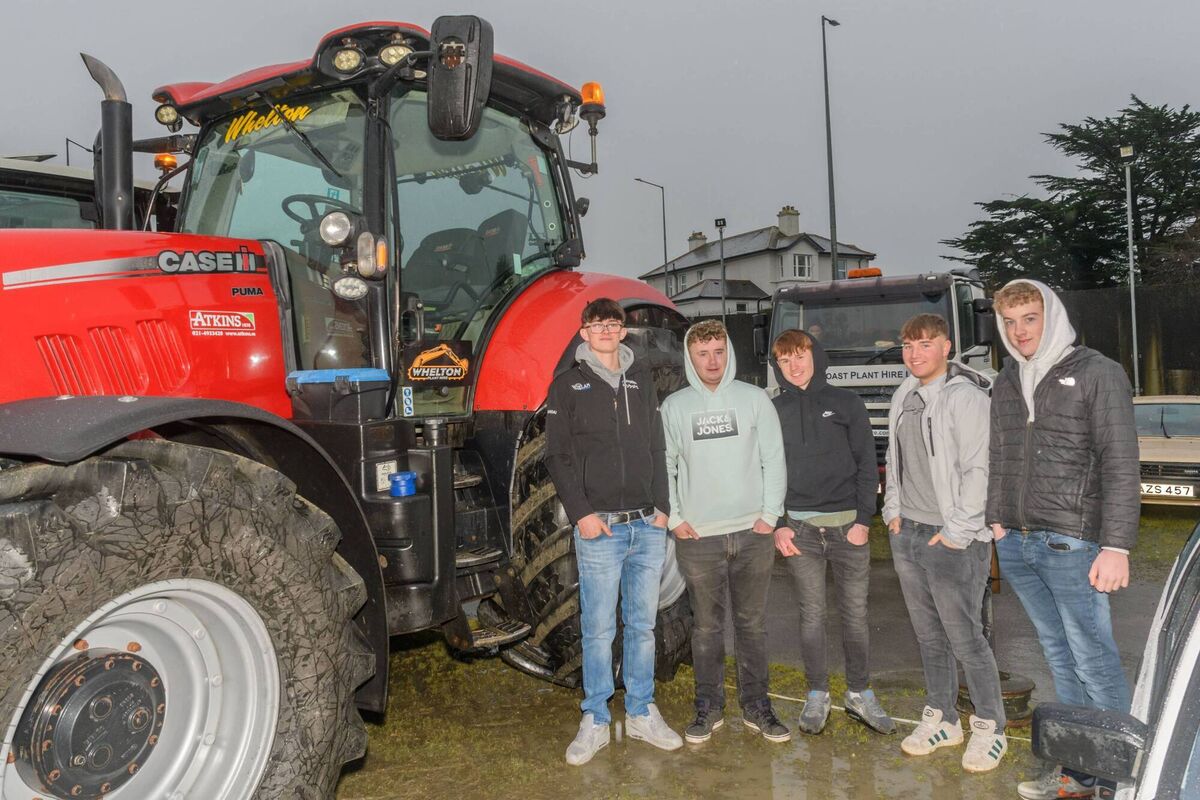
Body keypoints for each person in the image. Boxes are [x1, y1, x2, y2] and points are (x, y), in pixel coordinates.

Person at [987, 280, 1139, 800]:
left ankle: (1120, 777)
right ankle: (1078, 770)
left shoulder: (1098, 372)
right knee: (1058, 655)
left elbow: (1121, 463)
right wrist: (996, 519)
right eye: (1009, 322)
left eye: (1029, 318)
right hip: (1018, 541)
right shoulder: (1007, 377)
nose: (1019, 331)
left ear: (1052, 316)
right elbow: (1000, 453)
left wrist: (1116, 546)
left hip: (1074, 542)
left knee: (1093, 658)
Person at [545, 297, 683, 766]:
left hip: (647, 524)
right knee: (599, 629)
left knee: (642, 626)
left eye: (612, 323)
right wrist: (582, 513)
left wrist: (663, 507)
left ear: (623, 331)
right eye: (596, 324)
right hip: (600, 527)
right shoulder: (568, 385)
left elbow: (657, 445)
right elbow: (557, 456)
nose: (605, 330)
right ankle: (596, 717)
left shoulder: (641, 379)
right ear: (584, 333)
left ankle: (641, 711)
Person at [881, 313, 1008, 773]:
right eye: (907, 345)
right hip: (909, 532)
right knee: (929, 636)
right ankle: (943, 718)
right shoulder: (903, 394)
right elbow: (894, 459)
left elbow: (980, 470)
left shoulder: (966, 397)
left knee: (965, 638)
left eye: (924, 344)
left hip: (954, 539)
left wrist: (956, 531)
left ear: (946, 347)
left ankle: (990, 727)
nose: (914, 354)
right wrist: (892, 511)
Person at [660, 319, 789, 744]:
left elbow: (774, 458)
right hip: (699, 539)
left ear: (728, 353)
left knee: (752, 625)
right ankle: (708, 706)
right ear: (690, 357)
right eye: (703, 354)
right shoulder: (674, 407)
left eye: (718, 352)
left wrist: (770, 515)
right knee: (706, 628)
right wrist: (675, 518)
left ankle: (757, 706)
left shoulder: (755, 399)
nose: (712, 361)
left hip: (753, 534)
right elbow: (666, 464)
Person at [770, 329, 896, 736]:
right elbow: (766, 469)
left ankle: (859, 692)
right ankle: (817, 693)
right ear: (777, 366)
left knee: (855, 616)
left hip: (848, 530)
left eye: (800, 355)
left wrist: (863, 521)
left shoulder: (847, 402)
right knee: (811, 616)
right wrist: (778, 525)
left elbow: (867, 464)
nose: (794, 365)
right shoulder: (773, 409)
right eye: (785, 360)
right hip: (800, 531)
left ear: (816, 356)